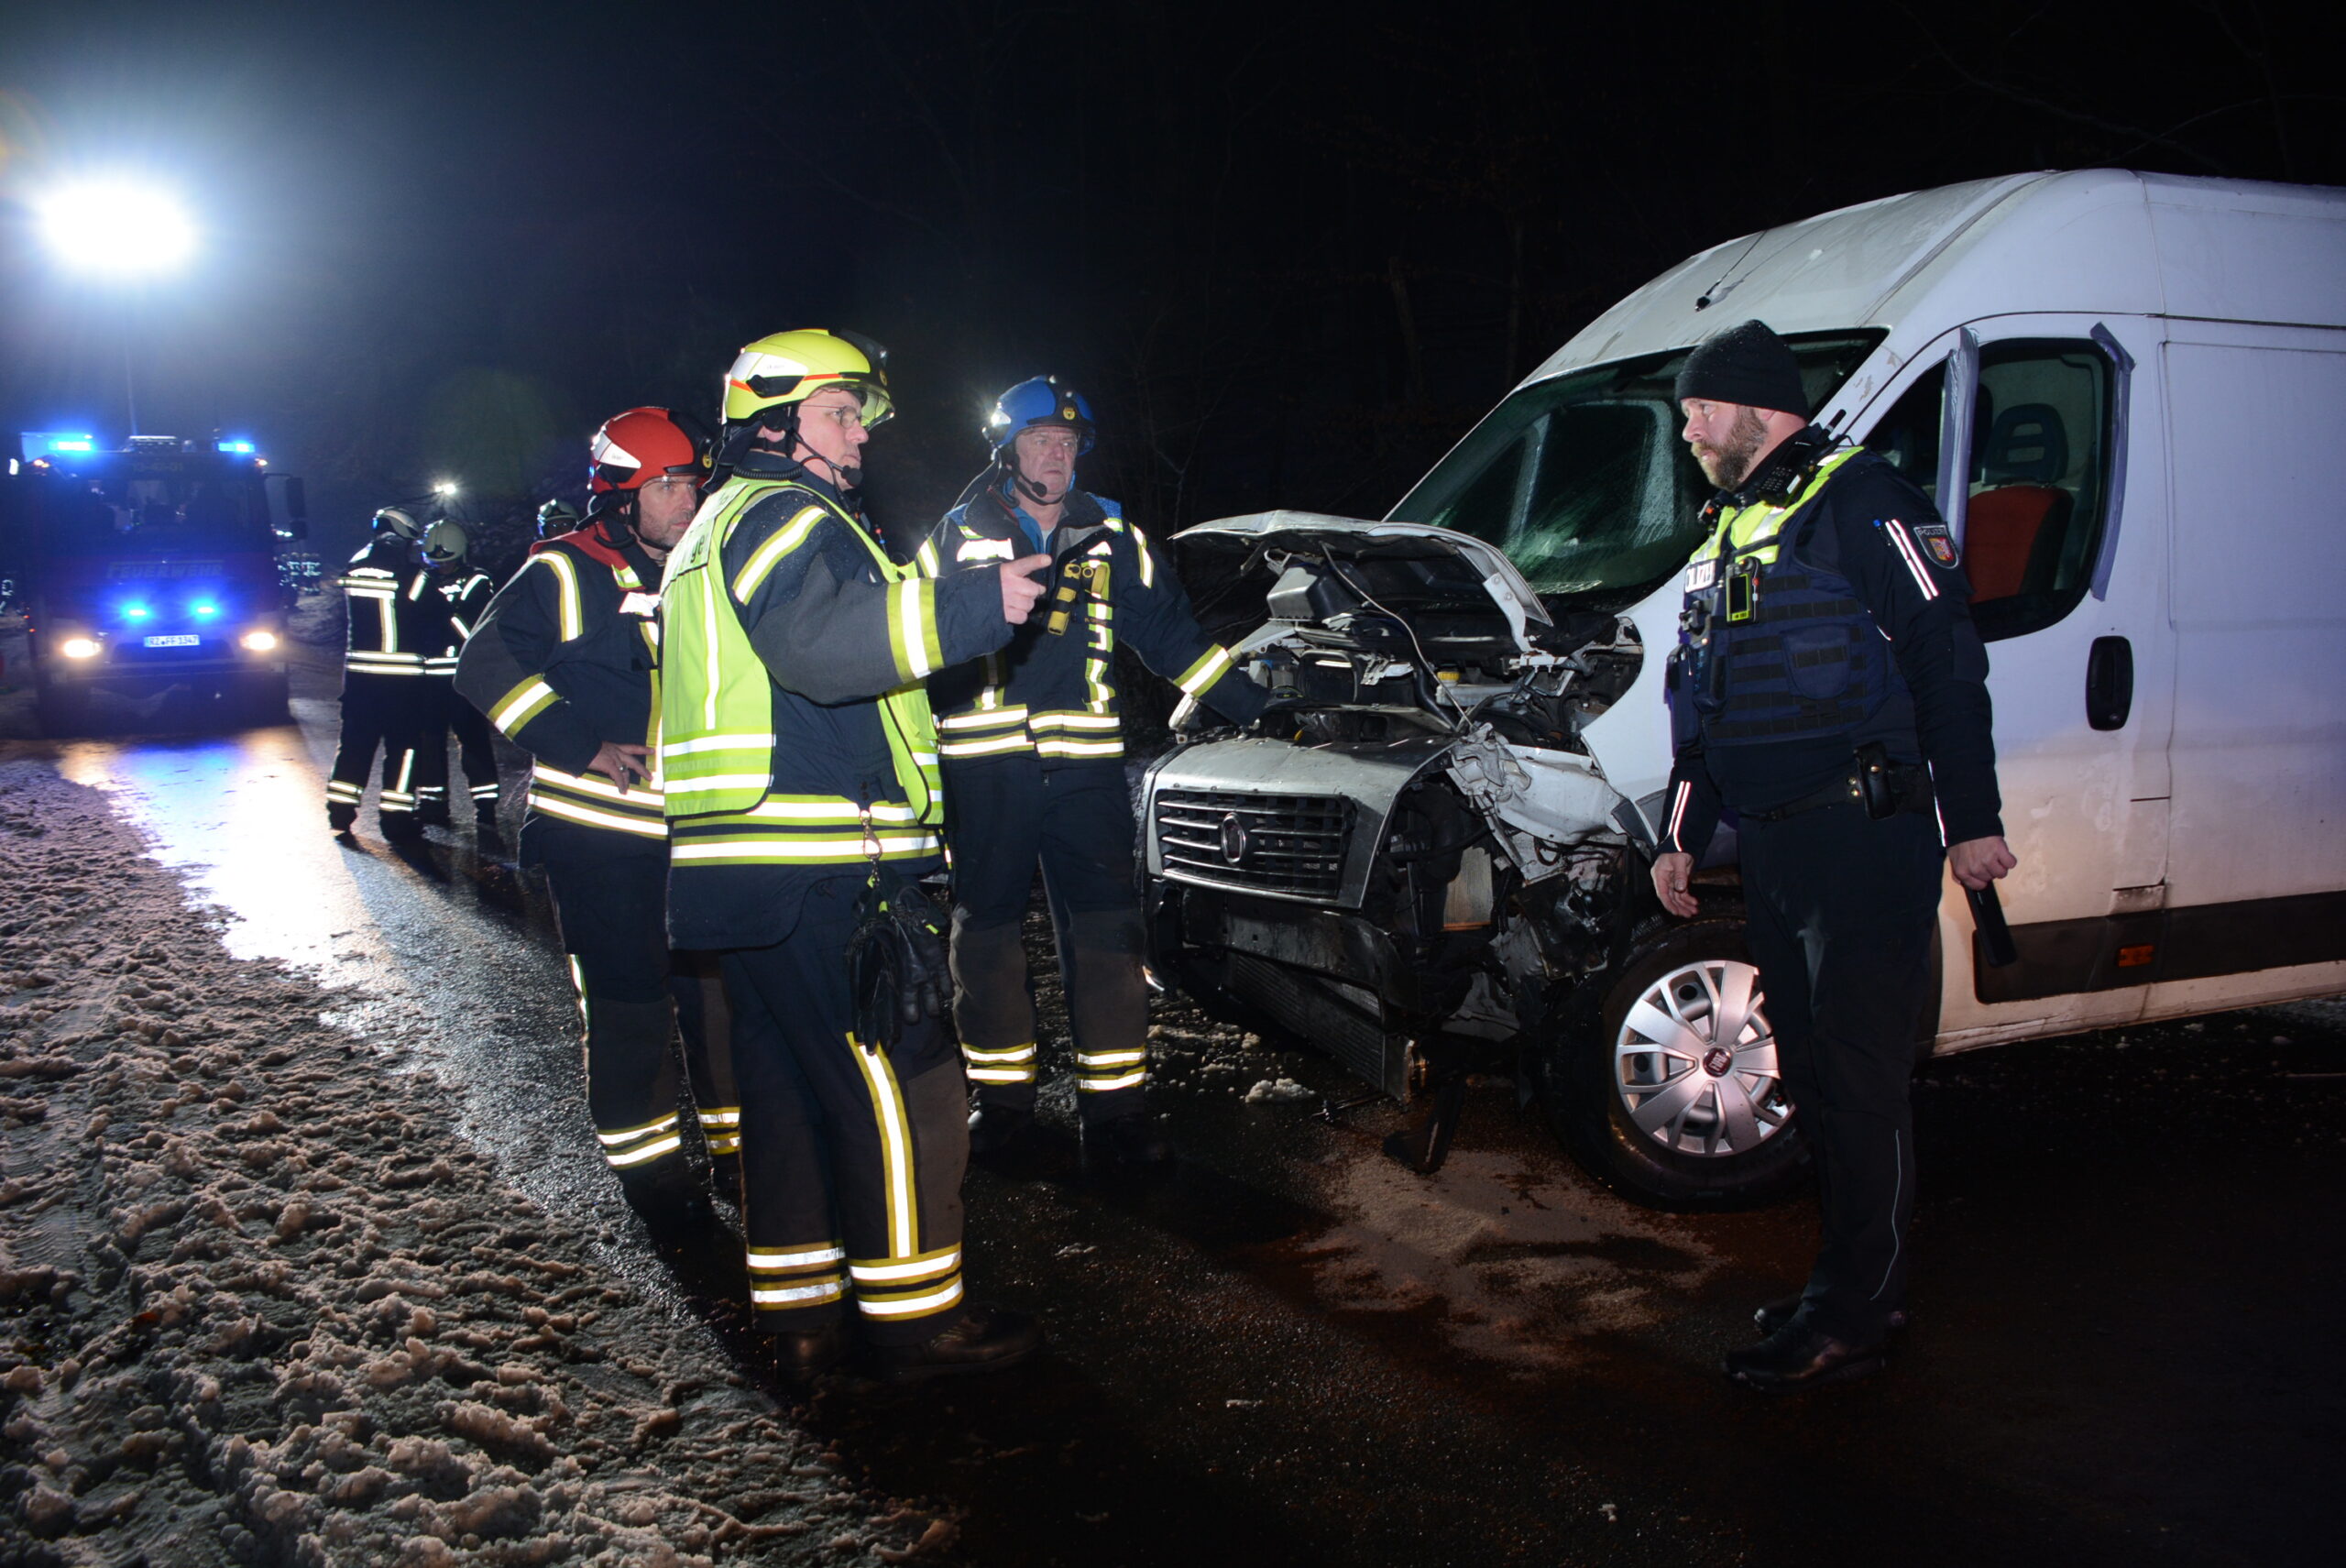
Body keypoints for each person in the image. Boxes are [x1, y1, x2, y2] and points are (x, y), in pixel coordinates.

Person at [658, 328, 1049, 1382]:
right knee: (902, 1085)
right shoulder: (786, 515)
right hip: (822, 859)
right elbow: (824, 649)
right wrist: (975, 605)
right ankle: (917, 1321)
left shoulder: (712, 525)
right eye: (839, 413)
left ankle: (804, 1316)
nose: (859, 435)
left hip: (747, 869)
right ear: (772, 424)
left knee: (786, 1090)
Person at [1650, 319, 2016, 1391]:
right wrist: (1680, 834)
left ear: (1759, 409)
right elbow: (1699, 696)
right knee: (1809, 1072)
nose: (1687, 431)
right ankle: (1850, 1284)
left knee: (1856, 1078)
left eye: (1700, 410)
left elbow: (1946, 659)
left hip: (1862, 835)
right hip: (1776, 846)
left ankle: (1855, 1311)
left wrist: (1972, 818)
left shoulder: (1864, 500)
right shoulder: (1735, 525)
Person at [916, 376, 1266, 1170]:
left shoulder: (1112, 533)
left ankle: (1115, 1115)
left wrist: (1258, 706)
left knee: (1108, 933)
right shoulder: (955, 536)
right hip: (987, 770)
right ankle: (1004, 1106)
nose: (1057, 455)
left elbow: (1175, 639)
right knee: (987, 938)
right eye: (1041, 440)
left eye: (1068, 443)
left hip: (1086, 771)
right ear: (1008, 450)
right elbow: (912, 644)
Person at [454, 407, 740, 1224]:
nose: (688, 500)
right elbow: (484, 664)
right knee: (629, 1006)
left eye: (692, 483)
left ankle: (735, 1149)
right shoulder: (563, 571)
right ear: (620, 494)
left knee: (717, 1001)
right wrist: (581, 745)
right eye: (669, 486)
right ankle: (652, 1175)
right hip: (599, 838)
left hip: (694, 834)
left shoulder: (701, 565)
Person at [326, 506, 434, 841]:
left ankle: (340, 812)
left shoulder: (353, 569)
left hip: (359, 681)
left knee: (354, 746)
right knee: (404, 750)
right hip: (402, 685)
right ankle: (396, 819)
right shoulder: (413, 576)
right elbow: (435, 617)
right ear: (402, 538)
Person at [411, 521, 504, 840]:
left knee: (474, 742)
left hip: (464, 678)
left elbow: (474, 628)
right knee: (429, 742)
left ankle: (486, 805)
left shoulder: (478, 580)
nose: (442, 567)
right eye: (436, 562)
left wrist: (440, 615)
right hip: (427, 679)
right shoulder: (420, 579)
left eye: (447, 561)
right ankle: (433, 805)